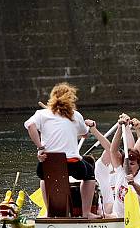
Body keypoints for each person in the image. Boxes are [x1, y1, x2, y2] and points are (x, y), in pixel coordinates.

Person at [24, 82, 91, 217]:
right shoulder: (76, 115)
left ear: (52, 98)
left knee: (44, 177)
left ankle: (49, 211)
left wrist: (40, 147)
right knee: (89, 174)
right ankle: (86, 213)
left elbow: (30, 126)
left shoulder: (42, 114)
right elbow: (85, 134)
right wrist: (87, 126)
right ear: (70, 99)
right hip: (72, 163)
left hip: (49, 162)